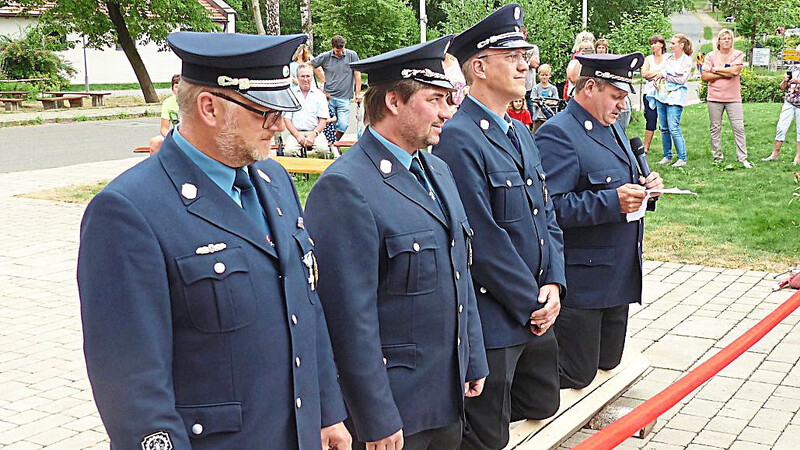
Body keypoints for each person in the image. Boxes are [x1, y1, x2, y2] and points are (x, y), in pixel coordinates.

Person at [77, 32, 351, 450]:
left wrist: (326, 410)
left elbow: (304, 305)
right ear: (209, 107)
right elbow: (133, 386)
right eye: (264, 112)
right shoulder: (129, 211)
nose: (278, 125)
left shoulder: (272, 179)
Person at [304, 35, 489, 450]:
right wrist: (374, 414)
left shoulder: (436, 170)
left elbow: (461, 270)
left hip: (445, 391)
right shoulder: (347, 187)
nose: (449, 110)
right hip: (394, 409)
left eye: (449, 98)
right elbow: (349, 320)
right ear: (393, 101)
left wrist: (473, 354)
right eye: (435, 99)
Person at [432, 5, 567, 449]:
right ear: (479, 66)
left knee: (544, 405)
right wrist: (532, 301)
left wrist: (555, 284)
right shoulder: (458, 135)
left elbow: (545, 215)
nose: (525, 65)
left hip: (535, 304)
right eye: (513, 56)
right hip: (496, 314)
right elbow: (482, 239)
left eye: (525, 55)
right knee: (487, 435)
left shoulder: (520, 131)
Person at [535, 53, 664, 390]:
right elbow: (552, 210)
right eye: (617, 97)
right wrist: (613, 202)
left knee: (609, 361)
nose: (623, 105)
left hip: (617, 274)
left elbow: (622, 184)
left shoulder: (612, 127)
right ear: (590, 87)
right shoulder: (558, 134)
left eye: (624, 97)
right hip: (584, 282)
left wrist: (646, 191)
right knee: (577, 373)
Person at [701, 29, 752, 168]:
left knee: (738, 127)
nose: (727, 40)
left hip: (733, 97)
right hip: (714, 97)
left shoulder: (737, 54)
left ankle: (742, 157)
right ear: (718, 41)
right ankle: (717, 156)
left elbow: (735, 71)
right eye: (723, 38)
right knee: (715, 127)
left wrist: (715, 70)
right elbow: (704, 76)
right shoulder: (711, 56)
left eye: (729, 38)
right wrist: (726, 72)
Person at [651, 33, 693, 167]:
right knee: (663, 128)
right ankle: (667, 156)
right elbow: (661, 72)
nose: (670, 46)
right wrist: (658, 79)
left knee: (674, 128)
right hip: (662, 95)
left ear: (681, 45)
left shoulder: (686, 60)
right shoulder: (668, 58)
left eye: (673, 43)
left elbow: (681, 79)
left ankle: (682, 158)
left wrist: (666, 75)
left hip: (675, 98)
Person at [312, 35, 362, 140]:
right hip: (328, 97)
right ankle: (331, 146)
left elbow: (357, 74)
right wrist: (322, 78)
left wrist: (357, 93)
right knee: (327, 125)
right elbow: (311, 65)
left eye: (342, 49)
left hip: (344, 97)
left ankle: (334, 142)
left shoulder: (352, 55)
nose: (340, 52)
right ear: (332, 47)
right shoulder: (325, 56)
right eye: (337, 51)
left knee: (343, 125)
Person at [762, 45, 800, 165]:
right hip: (789, 102)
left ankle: (798, 157)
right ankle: (775, 154)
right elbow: (782, 87)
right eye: (798, 54)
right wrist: (784, 80)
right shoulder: (793, 67)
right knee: (781, 127)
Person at [284, 64, 332, 157]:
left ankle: (321, 171)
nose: (305, 79)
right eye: (302, 76)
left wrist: (314, 134)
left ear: (312, 77)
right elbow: (287, 119)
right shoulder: (291, 95)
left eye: (308, 76)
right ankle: (293, 171)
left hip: (315, 132)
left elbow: (323, 120)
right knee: (288, 151)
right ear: (297, 77)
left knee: (323, 150)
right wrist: (297, 135)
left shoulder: (319, 95)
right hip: (296, 132)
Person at [641, 35, 667, 154]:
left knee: (666, 122)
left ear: (661, 44)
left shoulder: (668, 58)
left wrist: (658, 74)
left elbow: (669, 73)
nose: (653, 46)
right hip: (649, 93)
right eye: (651, 43)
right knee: (650, 120)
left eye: (655, 43)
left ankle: (667, 150)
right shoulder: (648, 59)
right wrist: (659, 73)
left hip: (664, 94)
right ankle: (646, 147)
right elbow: (644, 74)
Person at [148, 74, 181, 154]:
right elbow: (164, 128)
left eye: (182, 87)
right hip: (175, 136)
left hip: (191, 138)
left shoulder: (194, 102)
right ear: (172, 89)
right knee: (155, 142)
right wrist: (172, 138)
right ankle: (156, 166)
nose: (179, 89)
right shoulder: (168, 103)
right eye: (176, 87)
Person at [531, 64, 559, 133]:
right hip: (538, 117)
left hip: (550, 117)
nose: (544, 77)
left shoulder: (553, 88)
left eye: (546, 75)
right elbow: (534, 101)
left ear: (549, 75)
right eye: (542, 75)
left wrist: (545, 103)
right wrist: (540, 103)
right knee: (535, 135)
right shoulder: (536, 88)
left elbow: (555, 101)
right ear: (539, 75)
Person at [520, 25, 540, 115]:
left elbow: (535, 64)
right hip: (517, 85)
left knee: (531, 114)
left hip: (529, 86)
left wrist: (524, 62)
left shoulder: (532, 48)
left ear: (525, 35)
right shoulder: (511, 49)